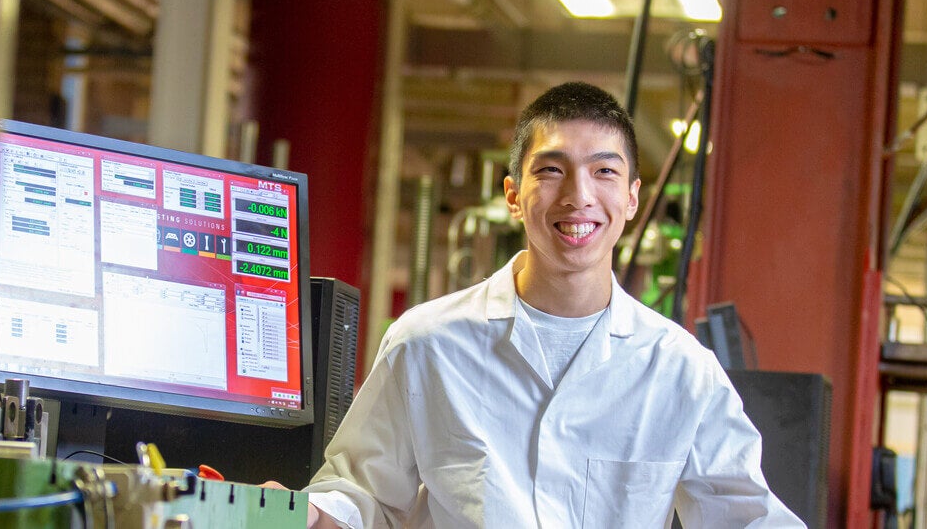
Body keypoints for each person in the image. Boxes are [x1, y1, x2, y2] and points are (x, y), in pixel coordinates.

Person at [275, 82, 803, 528]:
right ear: (512, 193)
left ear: (633, 198)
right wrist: (289, 514)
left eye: (604, 172)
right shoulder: (427, 343)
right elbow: (364, 497)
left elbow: (750, 517)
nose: (578, 196)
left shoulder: (681, 371)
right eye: (551, 170)